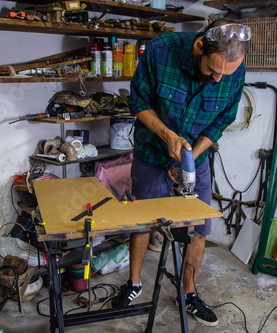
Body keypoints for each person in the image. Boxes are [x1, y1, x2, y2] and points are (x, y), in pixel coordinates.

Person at [110, 20, 251, 327]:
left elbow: (221, 121)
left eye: (224, 74)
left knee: (198, 226)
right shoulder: (162, 51)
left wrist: (189, 156)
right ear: (200, 46)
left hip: (194, 156)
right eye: (213, 70)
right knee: (142, 220)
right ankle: (134, 284)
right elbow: (139, 102)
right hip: (151, 151)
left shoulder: (232, 67)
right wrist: (169, 137)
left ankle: (188, 291)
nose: (217, 79)